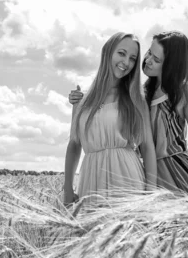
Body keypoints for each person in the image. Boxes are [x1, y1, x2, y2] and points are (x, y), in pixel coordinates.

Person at [69, 31, 188, 231]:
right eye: (148, 53)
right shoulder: (140, 94)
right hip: (146, 173)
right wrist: (80, 99)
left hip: (178, 173)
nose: (148, 61)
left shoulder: (184, 93)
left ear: (170, 64)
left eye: (157, 59)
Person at [63, 32, 157, 208]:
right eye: (121, 53)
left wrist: (150, 195)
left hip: (127, 179)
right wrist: (67, 189)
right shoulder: (81, 99)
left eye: (132, 58)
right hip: (92, 179)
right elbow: (74, 144)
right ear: (107, 52)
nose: (126, 62)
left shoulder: (136, 98)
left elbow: (148, 146)